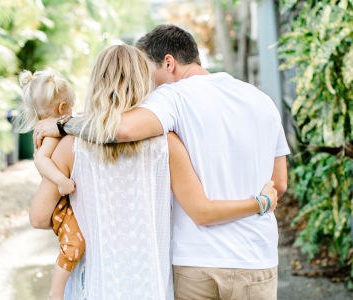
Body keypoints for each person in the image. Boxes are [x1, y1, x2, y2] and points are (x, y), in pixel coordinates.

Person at [34, 25, 290, 300]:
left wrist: (63, 125)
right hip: (251, 257)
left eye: (150, 72)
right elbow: (279, 184)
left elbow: (122, 130)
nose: (151, 84)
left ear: (169, 63)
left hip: (186, 263)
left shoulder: (171, 102)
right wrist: (260, 203)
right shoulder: (261, 101)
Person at [14, 68, 83, 300]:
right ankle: (56, 293)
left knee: (74, 242)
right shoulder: (51, 131)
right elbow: (40, 160)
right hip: (59, 205)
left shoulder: (54, 127)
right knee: (73, 244)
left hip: (60, 199)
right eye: (70, 108)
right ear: (62, 108)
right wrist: (60, 179)